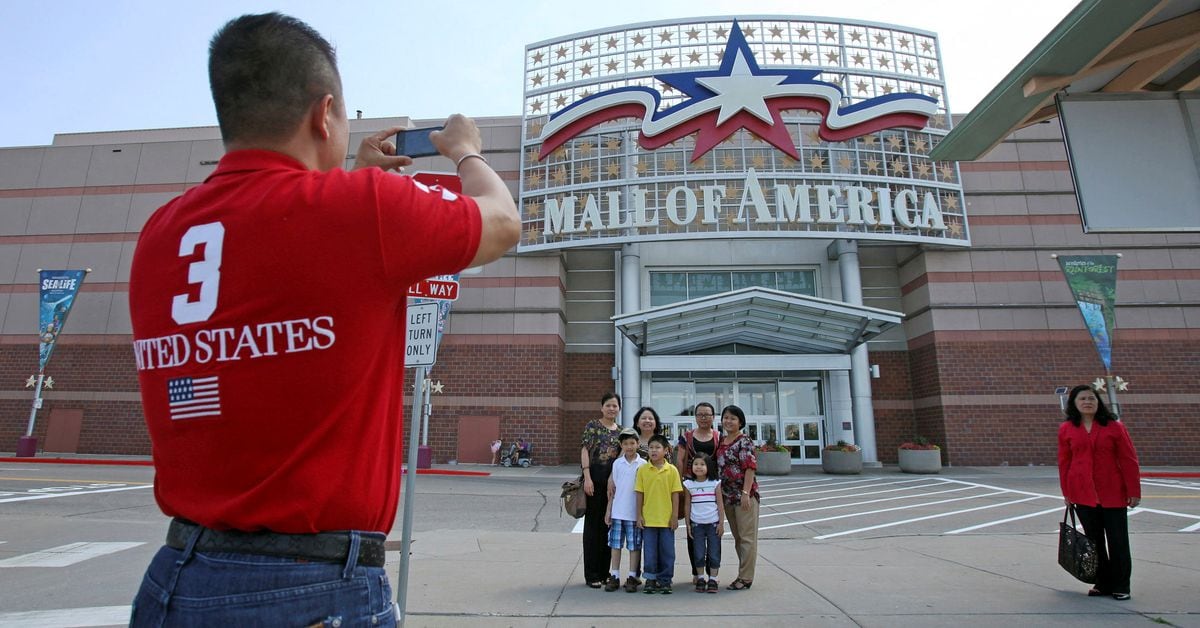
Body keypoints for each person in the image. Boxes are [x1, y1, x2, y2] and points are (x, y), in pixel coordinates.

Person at [126, 12, 519, 626]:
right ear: (324, 112)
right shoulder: (361, 211)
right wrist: (466, 150)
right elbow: (501, 222)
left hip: (179, 575)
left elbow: (286, 266)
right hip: (311, 590)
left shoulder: (162, 232)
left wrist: (352, 178)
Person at [1058, 384, 1141, 601]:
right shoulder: (1067, 429)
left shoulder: (1114, 426)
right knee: (1094, 542)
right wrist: (1067, 492)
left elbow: (1128, 459)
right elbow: (1064, 462)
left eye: (1091, 398)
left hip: (1113, 492)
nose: (1088, 402)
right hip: (1082, 494)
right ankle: (1103, 582)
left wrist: (1134, 490)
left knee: (1118, 541)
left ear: (1098, 402)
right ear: (1074, 404)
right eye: (1082, 399)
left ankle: (1122, 585)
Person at [580, 392, 622, 588]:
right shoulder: (592, 426)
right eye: (608, 405)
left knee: (608, 527)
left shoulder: (621, 431)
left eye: (615, 406)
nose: (611, 409)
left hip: (612, 484)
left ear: (619, 409)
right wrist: (587, 477)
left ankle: (605, 573)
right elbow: (585, 450)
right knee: (592, 528)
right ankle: (592, 574)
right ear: (602, 407)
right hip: (594, 481)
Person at [716, 404, 760, 591]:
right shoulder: (722, 441)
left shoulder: (745, 441)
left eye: (733, 418)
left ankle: (746, 577)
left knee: (747, 537)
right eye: (726, 417)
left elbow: (749, 467)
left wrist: (745, 493)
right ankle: (743, 573)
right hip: (727, 497)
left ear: (740, 421)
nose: (728, 421)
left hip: (744, 497)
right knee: (738, 538)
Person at [635, 434, 684, 594]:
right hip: (648, 519)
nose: (654, 450)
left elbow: (675, 494)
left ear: (666, 450)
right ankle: (650, 578)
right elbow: (639, 494)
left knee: (667, 552)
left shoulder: (672, 470)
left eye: (657, 447)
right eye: (651, 448)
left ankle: (665, 580)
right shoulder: (643, 469)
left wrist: (674, 516)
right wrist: (639, 515)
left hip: (666, 520)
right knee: (649, 552)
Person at [676, 402, 718, 584]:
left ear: (713, 417)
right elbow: (680, 460)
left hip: (711, 487)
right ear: (695, 417)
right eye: (700, 414)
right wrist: (679, 483)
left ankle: (712, 573)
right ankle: (697, 572)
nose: (703, 417)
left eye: (707, 414)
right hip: (691, 486)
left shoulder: (718, 436)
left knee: (713, 531)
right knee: (693, 530)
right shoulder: (687, 437)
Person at [604, 427, 647, 592]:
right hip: (618, 512)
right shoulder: (617, 464)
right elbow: (613, 490)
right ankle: (614, 575)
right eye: (625, 444)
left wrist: (640, 514)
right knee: (615, 545)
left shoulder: (643, 465)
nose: (629, 447)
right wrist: (609, 510)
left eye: (632, 443)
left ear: (637, 444)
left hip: (634, 513)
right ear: (621, 445)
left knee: (634, 546)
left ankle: (632, 576)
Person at [683, 453, 724, 593]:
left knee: (714, 553)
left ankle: (713, 578)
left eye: (702, 464)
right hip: (697, 524)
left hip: (713, 524)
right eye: (696, 464)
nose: (698, 467)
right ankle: (700, 578)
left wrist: (721, 524)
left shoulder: (715, 483)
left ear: (708, 467)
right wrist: (688, 524)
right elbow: (687, 505)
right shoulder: (689, 484)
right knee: (699, 553)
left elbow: (720, 504)